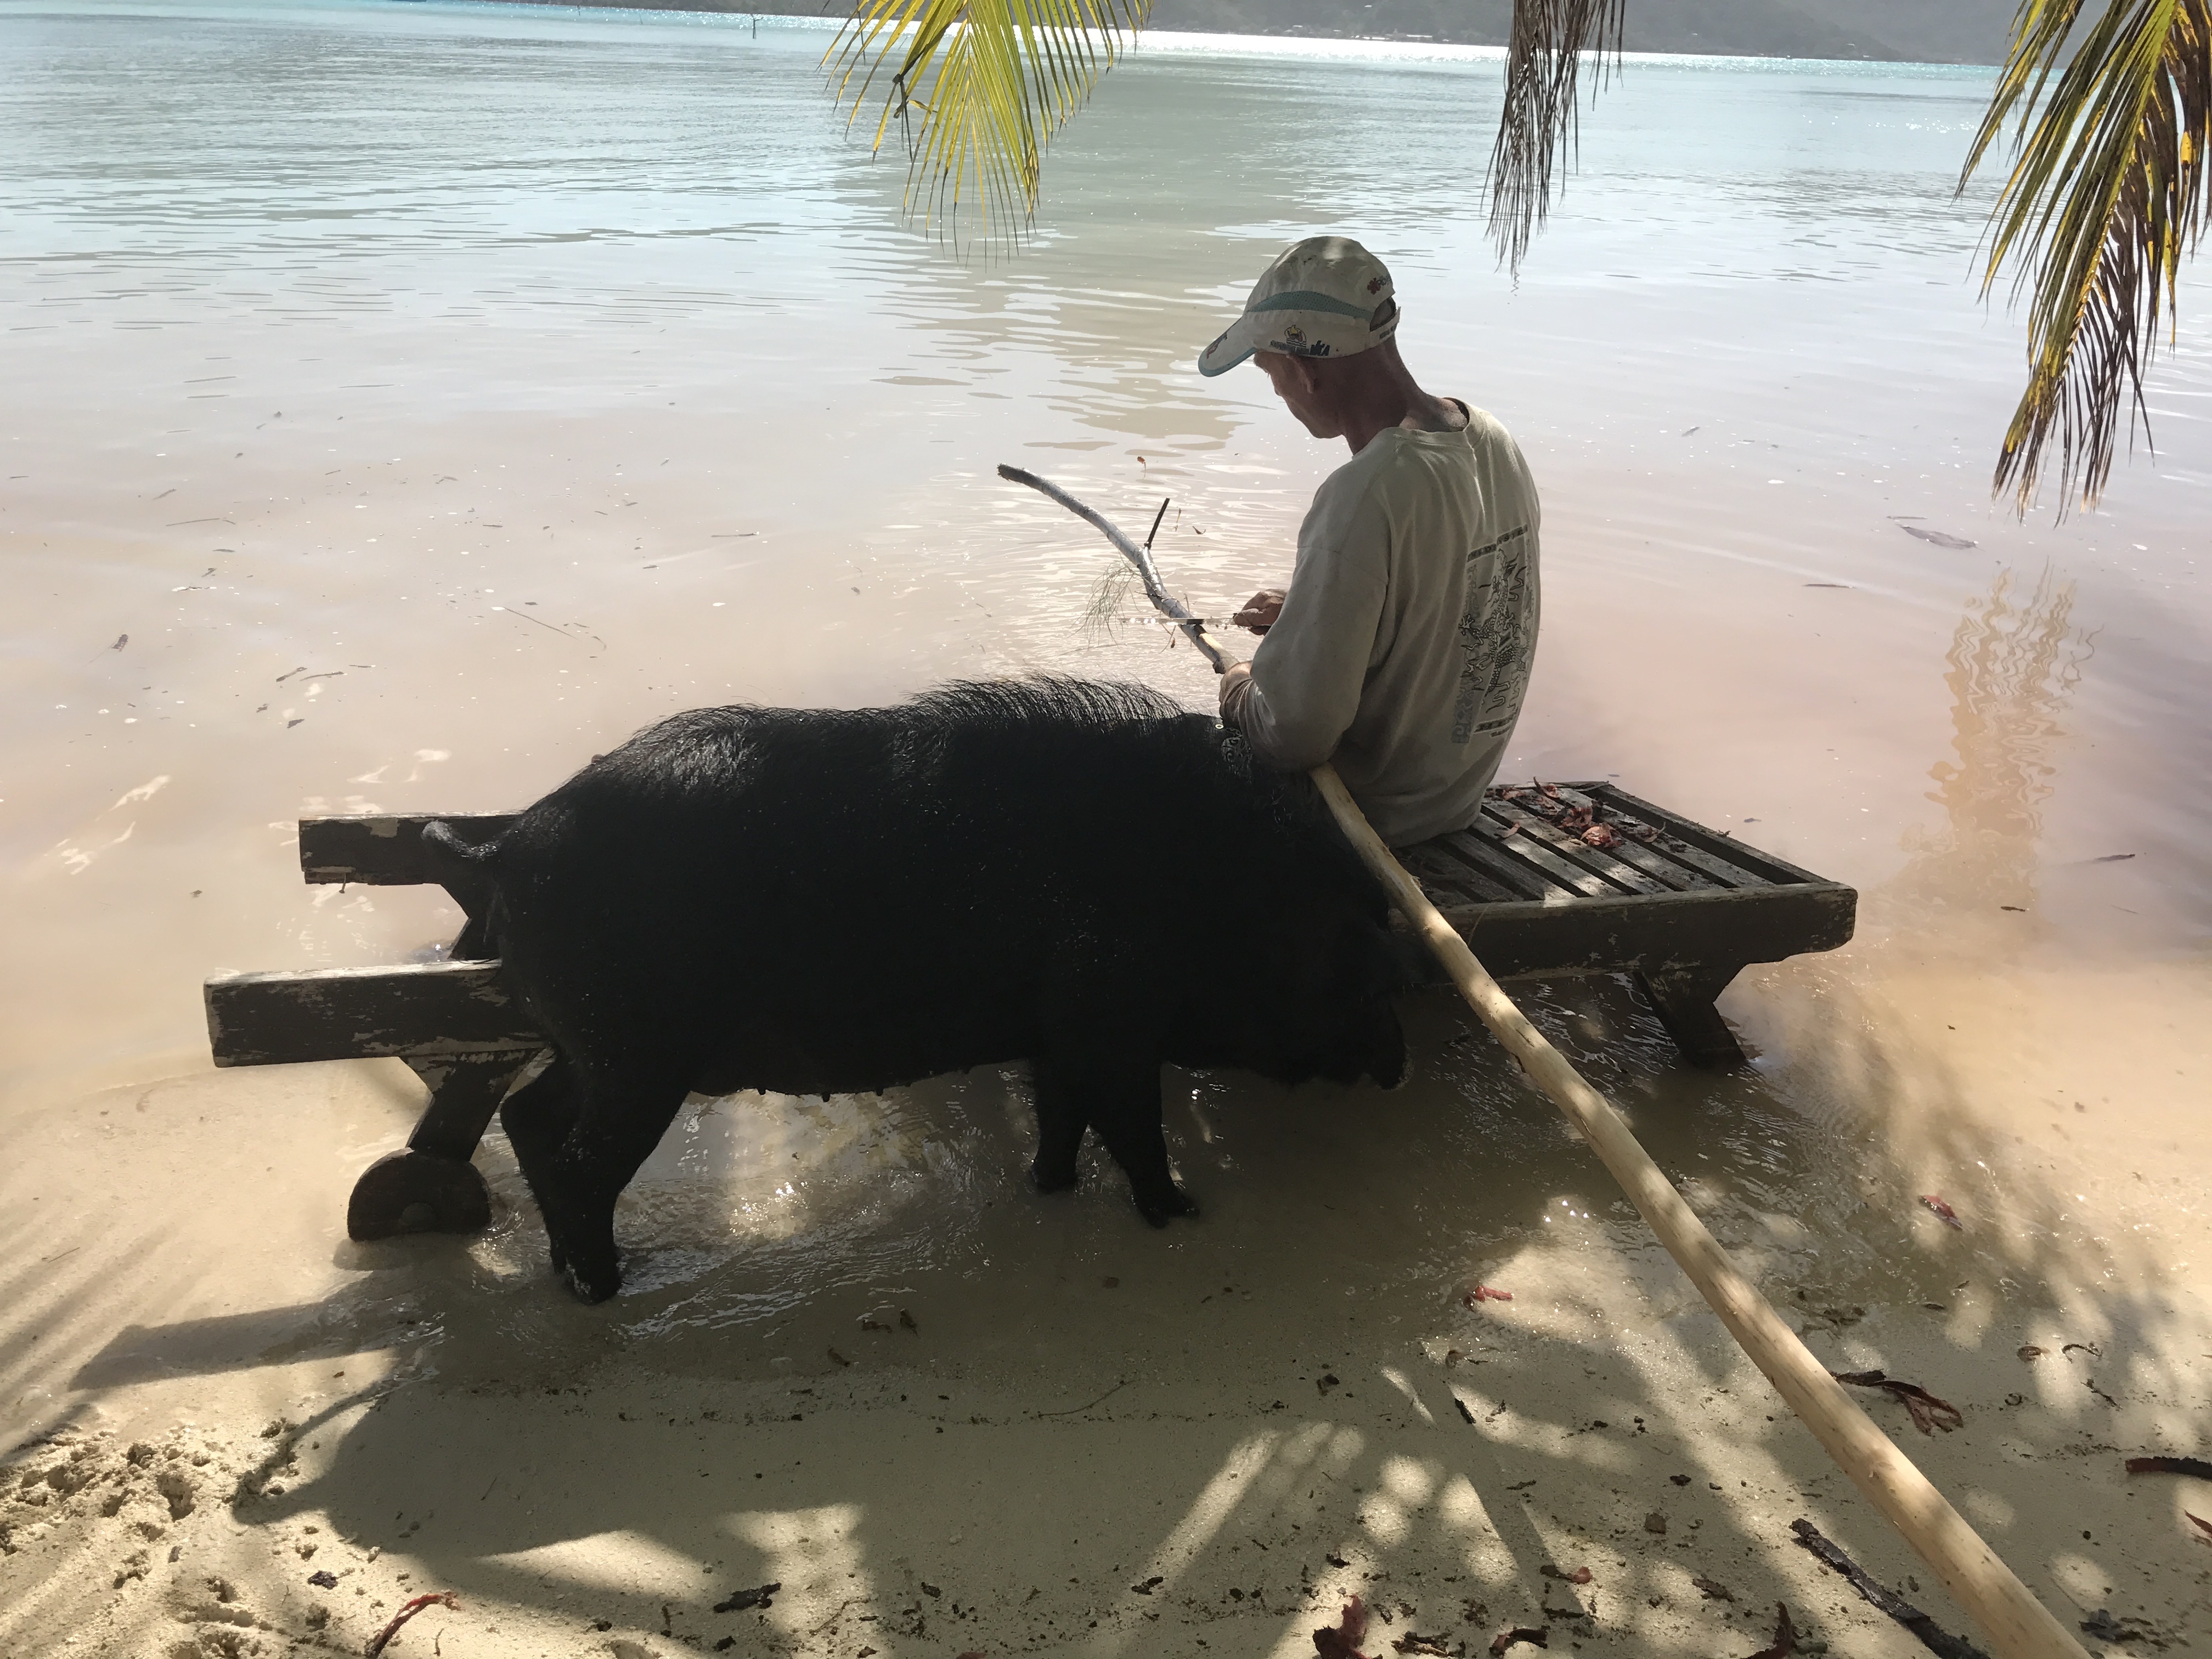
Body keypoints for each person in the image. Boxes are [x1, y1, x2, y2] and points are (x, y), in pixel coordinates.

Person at [1200, 235, 1541, 848]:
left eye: (1269, 372)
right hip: (1455, 798)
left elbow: (1293, 735)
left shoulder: (1364, 493)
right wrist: (1309, 609)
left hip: (1374, 820)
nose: (1278, 393)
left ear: (1304, 370)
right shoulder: (1492, 439)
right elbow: (1454, 594)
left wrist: (1238, 685)